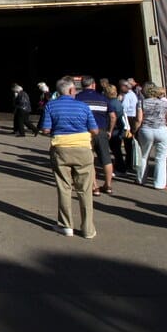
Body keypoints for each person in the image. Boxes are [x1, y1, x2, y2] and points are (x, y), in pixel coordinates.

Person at [40, 76, 99, 238]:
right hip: (82, 148)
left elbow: (45, 129)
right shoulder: (83, 106)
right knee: (85, 189)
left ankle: (66, 225)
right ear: (72, 90)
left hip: (61, 149)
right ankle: (88, 228)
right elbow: (94, 130)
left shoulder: (50, 106)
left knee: (64, 187)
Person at [75, 76, 114, 195]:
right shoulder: (103, 98)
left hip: (85, 132)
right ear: (93, 85)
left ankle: (94, 187)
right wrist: (110, 130)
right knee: (106, 159)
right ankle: (108, 185)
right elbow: (113, 116)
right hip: (101, 130)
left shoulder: (77, 98)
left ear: (82, 85)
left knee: (89, 159)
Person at [134, 83, 167, 189]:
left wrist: (134, 131)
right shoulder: (165, 103)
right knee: (161, 158)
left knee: (143, 156)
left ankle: (141, 179)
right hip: (162, 130)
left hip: (146, 130)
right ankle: (159, 183)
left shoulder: (141, 102)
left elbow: (139, 119)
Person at [119, 79, 139, 174]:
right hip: (132, 118)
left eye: (121, 86)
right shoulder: (133, 94)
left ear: (125, 86)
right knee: (130, 143)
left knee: (128, 142)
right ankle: (131, 162)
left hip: (128, 119)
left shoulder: (127, 96)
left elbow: (123, 108)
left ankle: (129, 163)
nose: (120, 88)